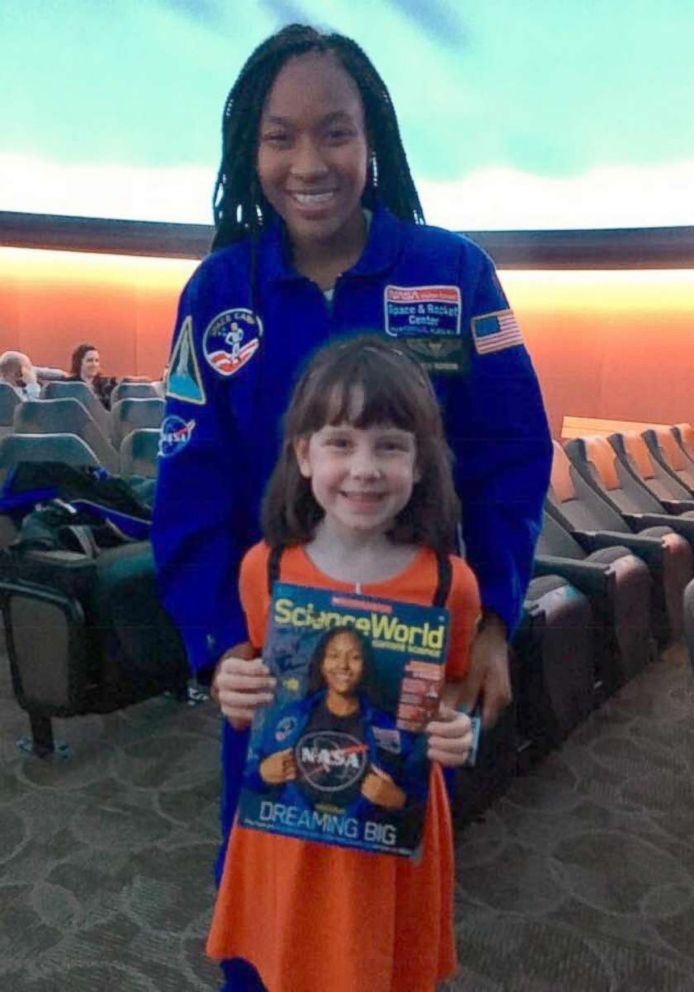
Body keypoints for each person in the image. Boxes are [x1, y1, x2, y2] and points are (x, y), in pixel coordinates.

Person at [152, 15, 551, 900]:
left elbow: (512, 454)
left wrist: (490, 624)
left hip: (416, 658)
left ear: (373, 140)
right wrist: (221, 649)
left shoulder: (453, 278)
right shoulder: (220, 293)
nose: (308, 164)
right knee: (270, 893)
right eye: (279, 137)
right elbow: (190, 487)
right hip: (273, 658)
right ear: (247, 149)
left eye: (336, 132)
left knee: (389, 891)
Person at [208, 335, 481, 992]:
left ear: (420, 465)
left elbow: (450, 694)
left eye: (390, 445)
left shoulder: (452, 585)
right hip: (290, 829)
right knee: (287, 960)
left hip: (388, 831)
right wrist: (231, 682)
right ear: (304, 455)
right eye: (340, 442)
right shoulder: (265, 568)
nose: (365, 468)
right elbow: (255, 669)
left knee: (375, 967)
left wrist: (460, 731)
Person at [246, 626, 422, 816]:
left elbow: (422, 802)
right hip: (293, 840)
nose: (343, 665)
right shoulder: (291, 716)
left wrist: (399, 800)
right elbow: (247, 773)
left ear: (366, 665)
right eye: (334, 655)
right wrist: (261, 774)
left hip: (356, 842)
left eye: (354, 657)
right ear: (321, 663)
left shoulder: (389, 729)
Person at [0, 351, 66, 401]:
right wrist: (32, 383)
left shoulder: (4, 379)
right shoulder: (13, 393)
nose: (32, 371)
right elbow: (34, 407)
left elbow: (41, 371)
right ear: (19, 374)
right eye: (29, 368)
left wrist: (63, 375)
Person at [68, 343, 118, 409]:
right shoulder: (69, 385)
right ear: (79, 363)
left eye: (96, 361)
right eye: (90, 360)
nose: (94, 364)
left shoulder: (108, 385)